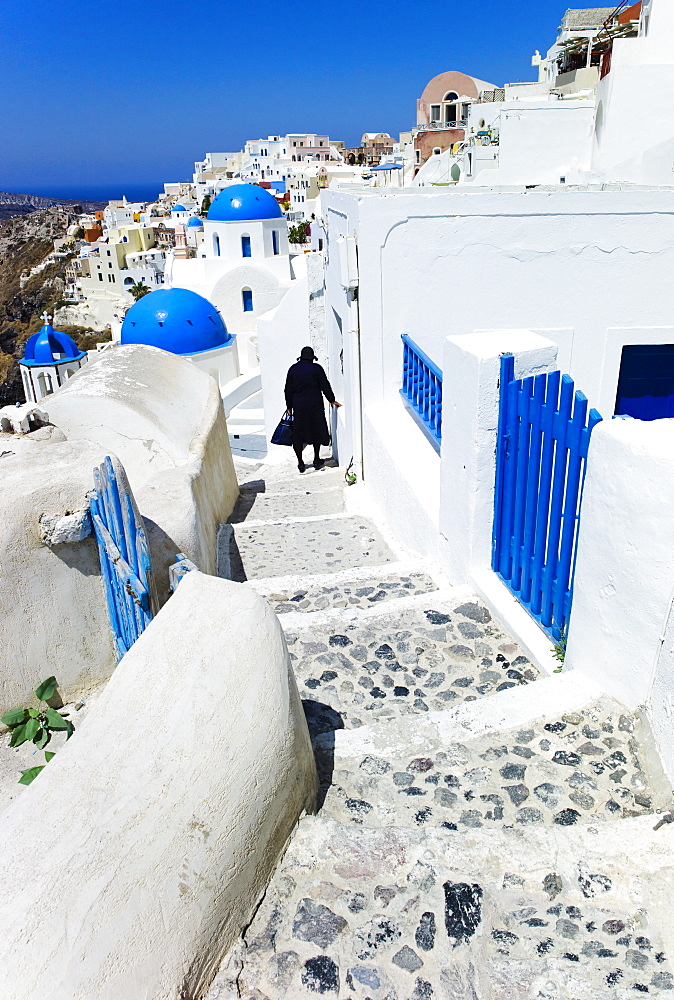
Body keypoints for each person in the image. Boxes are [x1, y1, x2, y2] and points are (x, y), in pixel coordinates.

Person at [285, 346, 341, 472]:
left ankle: (300, 462)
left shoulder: (293, 369)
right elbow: (325, 385)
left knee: (298, 434)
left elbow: (288, 389)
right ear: (312, 357)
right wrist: (331, 399)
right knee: (316, 430)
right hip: (315, 405)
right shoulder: (317, 369)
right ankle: (316, 459)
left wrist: (289, 407)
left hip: (298, 406)